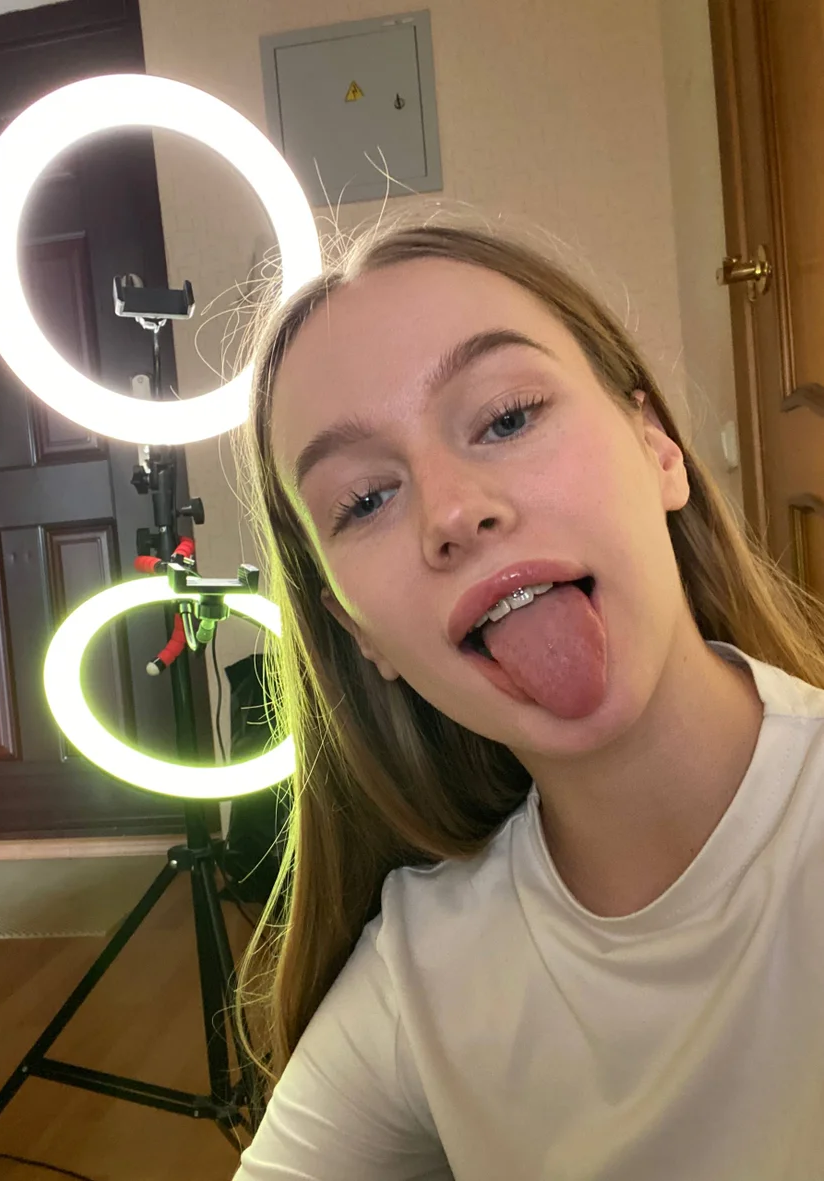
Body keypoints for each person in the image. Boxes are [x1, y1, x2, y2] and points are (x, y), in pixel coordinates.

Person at [231, 218, 824, 1180]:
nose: (453, 511)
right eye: (364, 500)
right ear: (360, 635)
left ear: (657, 448)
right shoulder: (418, 979)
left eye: (507, 418)